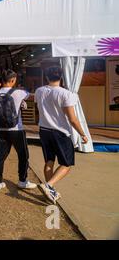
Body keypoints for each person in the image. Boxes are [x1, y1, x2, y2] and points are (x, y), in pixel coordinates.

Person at [35, 67, 89, 204]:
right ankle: (48, 185)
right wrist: (83, 134)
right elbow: (72, 119)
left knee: (49, 161)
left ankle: (50, 192)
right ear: (61, 77)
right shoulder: (65, 94)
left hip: (44, 130)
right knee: (67, 163)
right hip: (60, 132)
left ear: (46, 76)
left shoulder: (39, 91)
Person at [0, 70, 37, 191]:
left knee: (0, 156)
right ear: (12, 80)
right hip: (16, 129)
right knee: (23, 155)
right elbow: (32, 96)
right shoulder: (20, 92)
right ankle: (22, 181)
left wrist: (0, 120)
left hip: (0, 129)